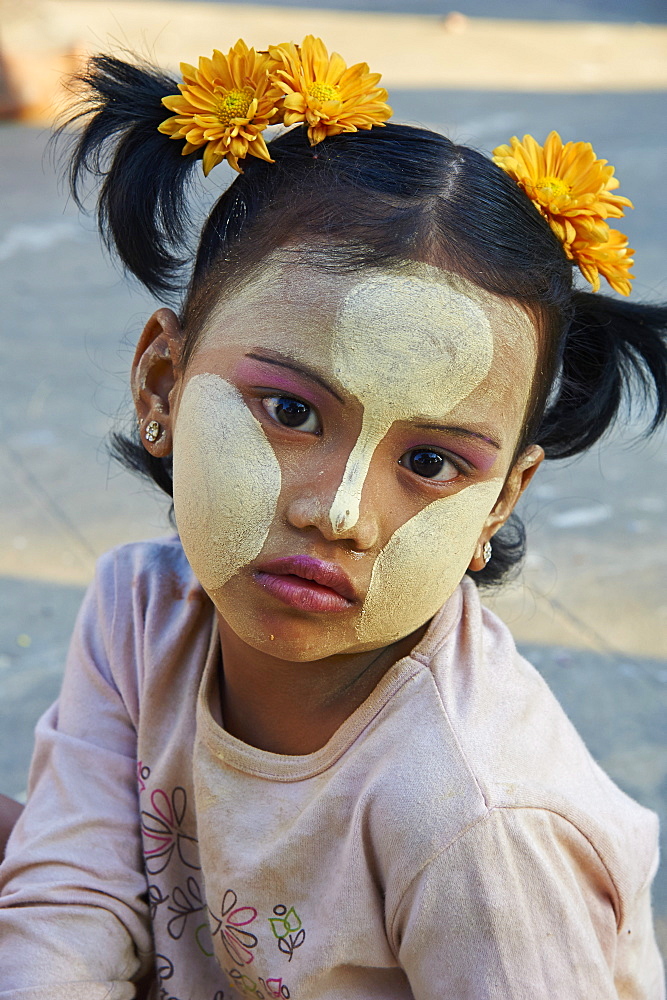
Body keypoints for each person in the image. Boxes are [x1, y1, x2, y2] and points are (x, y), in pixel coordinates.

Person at [0, 36, 665, 1000]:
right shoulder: (138, 614)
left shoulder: (481, 823)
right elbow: (72, 896)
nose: (339, 510)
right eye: (290, 412)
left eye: (430, 463)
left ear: (498, 504)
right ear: (160, 384)